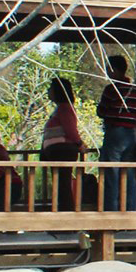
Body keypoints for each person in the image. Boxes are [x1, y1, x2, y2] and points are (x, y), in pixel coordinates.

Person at [97, 55, 136, 210]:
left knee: (111, 173)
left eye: (108, 69)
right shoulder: (135, 90)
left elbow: (101, 111)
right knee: (128, 173)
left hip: (115, 133)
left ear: (114, 70)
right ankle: (129, 210)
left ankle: (111, 212)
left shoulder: (112, 89)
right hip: (130, 134)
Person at [39, 77, 84, 210]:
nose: (48, 91)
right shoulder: (60, 108)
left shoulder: (65, 108)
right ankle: (63, 210)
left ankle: (66, 212)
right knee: (60, 183)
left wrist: (79, 144)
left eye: (51, 89)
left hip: (63, 150)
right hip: (57, 150)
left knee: (63, 184)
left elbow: (70, 129)